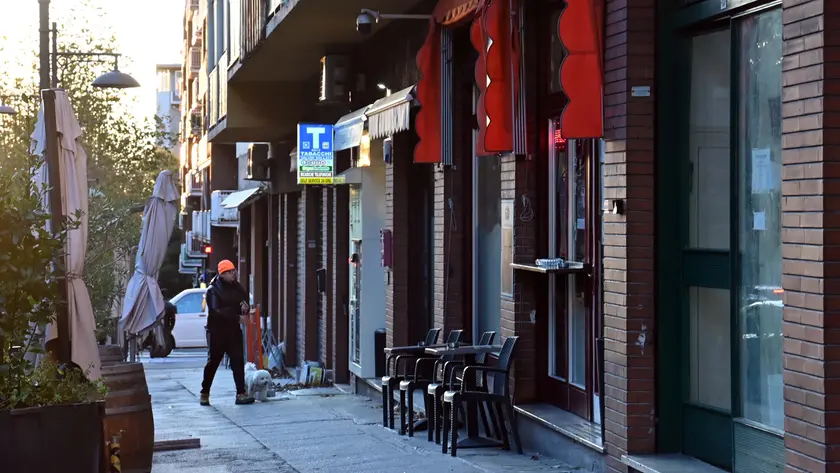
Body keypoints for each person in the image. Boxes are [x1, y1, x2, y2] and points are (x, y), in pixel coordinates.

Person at [200, 260, 255, 405]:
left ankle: (241, 393)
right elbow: (217, 311)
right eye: (230, 271)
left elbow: (243, 301)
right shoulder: (213, 290)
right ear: (222, 274)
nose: (234, 273)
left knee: (238, 361)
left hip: (233, 331)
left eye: (234, 270)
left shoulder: (237, 287)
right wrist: (237, 317)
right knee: (213, 363)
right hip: (217, 332)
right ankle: (204, 392)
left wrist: (245, 308)